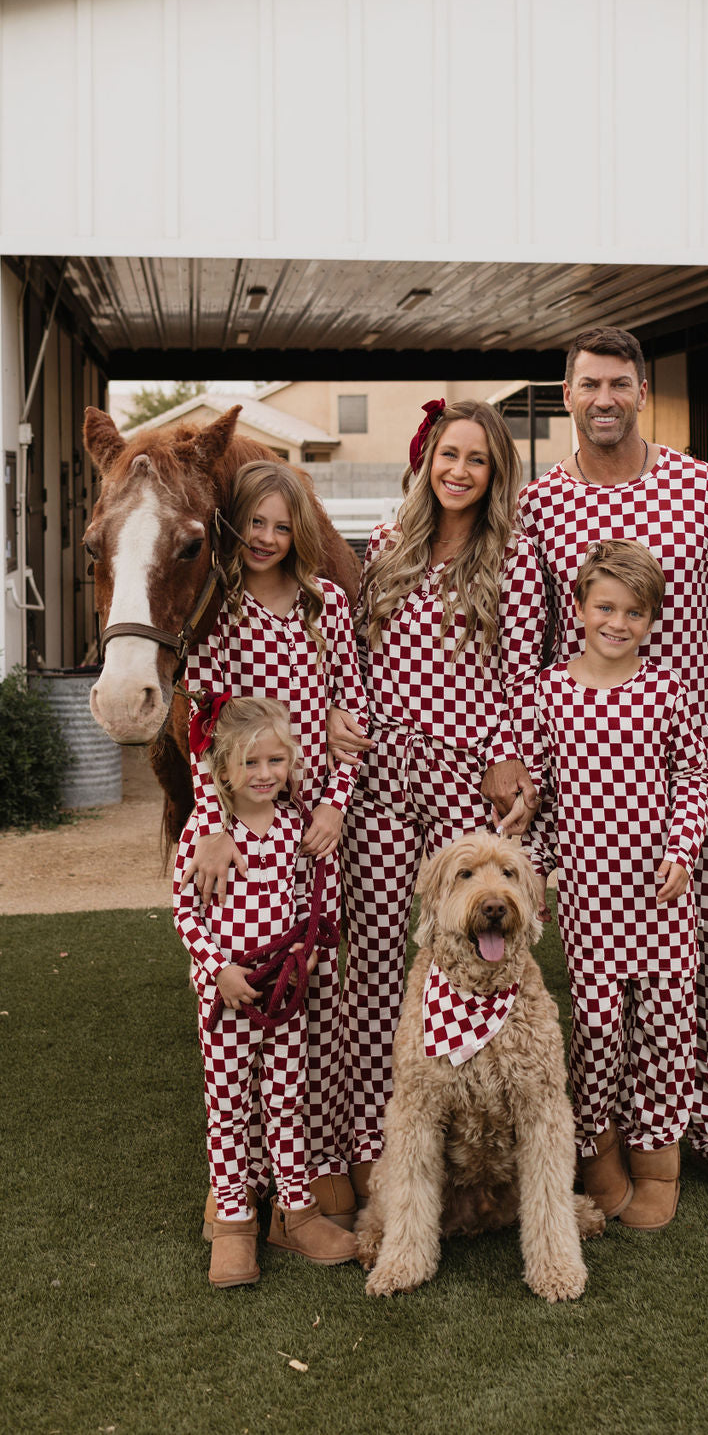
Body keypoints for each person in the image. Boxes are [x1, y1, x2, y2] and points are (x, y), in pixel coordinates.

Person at [516, 326, 708, 1206]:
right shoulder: (542, 505)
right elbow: (526, 638)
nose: (604, 397)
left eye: (619, 383)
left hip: (692, 761)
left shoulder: (701, 488)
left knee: (704, 960)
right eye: (588, 383)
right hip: (590, 771)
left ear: (643, 391)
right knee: (600, 972)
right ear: (568, 394)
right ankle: (614, 1132)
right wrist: (518, 752)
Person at [335, 398, 547, 1201]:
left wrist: (505, 755)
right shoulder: (388, 546)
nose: (459, 470)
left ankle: (473, 1132)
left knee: (464, 956)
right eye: (448, 455)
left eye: (477, 459)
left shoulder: (515, 559)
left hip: (465, 779)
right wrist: (336, 715)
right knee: (382, 964)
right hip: (385, 774)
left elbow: (524, 672)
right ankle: (371, 1138)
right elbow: (353, 653)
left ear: (495, 474)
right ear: (427, 461)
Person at [182, 460, 369, 1231]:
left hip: (312, 826)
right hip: (243, 821)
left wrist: (334, 804)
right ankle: (235, 1185)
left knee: (312, 992)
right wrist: (214, 825)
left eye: (280, 526)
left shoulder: (325, 606)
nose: (265, 537)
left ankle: (309, 1163)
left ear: (300, 534)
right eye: (254, 523)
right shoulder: (219, 610)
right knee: (243, 994)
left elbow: (351, 715)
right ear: (236, 526)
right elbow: (203, 723)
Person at [514, 541, 708, 1230]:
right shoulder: (549, 692)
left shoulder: (667, 691)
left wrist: (682, 848)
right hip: (592, 902)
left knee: (663, 1023)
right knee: (598, 1026)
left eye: (634, 611)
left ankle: (659, 1152)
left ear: (652, 619)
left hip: (660, 899)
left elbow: (694, 780)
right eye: (606, 607)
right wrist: (533, 868)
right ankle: (595, 1139)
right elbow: (537, 798)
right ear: (579, 609)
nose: (618, 622)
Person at [173, 695, 358, 1286]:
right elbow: (184, 909)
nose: (264, 774)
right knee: (229, 1108)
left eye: (276, 761)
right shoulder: (209, 832)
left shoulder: (291, 826)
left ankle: (294, 1212)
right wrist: (217, 970)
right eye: (251, 764)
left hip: (285, 995)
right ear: (223, 771)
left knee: (286, 1101)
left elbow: (307, 898)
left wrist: (307, 950)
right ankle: (232, 1221)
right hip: (229, 996)